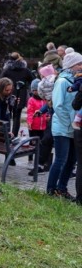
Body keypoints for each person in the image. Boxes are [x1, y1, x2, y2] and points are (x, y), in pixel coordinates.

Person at [45, 51, 82, 198]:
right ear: (71, 65)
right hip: (62, 127)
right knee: (60, 160)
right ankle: (50, 190)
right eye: (79, 64)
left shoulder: (75, 80)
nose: (81, 66)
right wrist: (69, 123)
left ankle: (62, 188)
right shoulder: (62, 81)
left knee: (71, 160)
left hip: (73, 127)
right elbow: (58, 106)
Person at [1, 52, 35, 137]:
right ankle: (14, 135)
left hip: (8, 94)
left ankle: (7, 135)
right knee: (17, 117)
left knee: (7, 115)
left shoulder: (7, 70)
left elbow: (0, 80)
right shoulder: (25, 70)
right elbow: (32, 80)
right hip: (21, 95)